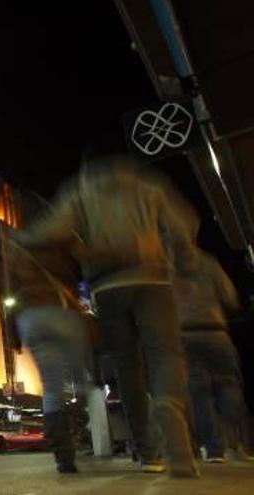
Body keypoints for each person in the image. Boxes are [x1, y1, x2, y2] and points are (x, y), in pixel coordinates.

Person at [18, 153, 199, 478]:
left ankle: (148, 453)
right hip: (153, 278)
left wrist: (21, 238)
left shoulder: (80, 191)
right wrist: (180, 260)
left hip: (108, 285)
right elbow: (184, 225)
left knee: (128, 366)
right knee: (165, 353)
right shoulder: (148, 186)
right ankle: (169, 408)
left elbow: (54, 229)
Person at [9, 239, 94, 473]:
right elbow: (75, 286)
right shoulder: (60, 252)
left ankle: (64, 457)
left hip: (30, 320)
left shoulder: (17, 255)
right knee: (82, 376)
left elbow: (10, 296)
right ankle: (83, 408)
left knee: (52, 388)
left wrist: (14, 337)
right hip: (60, 314)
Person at [173, 245, 253, 462]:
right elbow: (230, 297)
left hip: (184, 334)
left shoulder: (163, 265)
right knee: (228, 385)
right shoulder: (207, 262)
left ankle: (214, 449)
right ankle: (236, 444)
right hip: (215, 331)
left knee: (199, 394)